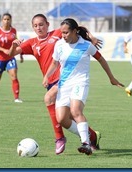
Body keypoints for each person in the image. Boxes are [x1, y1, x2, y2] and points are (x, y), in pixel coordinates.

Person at [9, 14, 102, 155]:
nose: (39, 27)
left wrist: (91, 37)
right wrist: (13, 45)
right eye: (35, 25)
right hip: (50, 82)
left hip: (64, 79)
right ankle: (92, 136)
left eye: (41, 24)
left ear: (47, 24)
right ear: (32, 27)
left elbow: (78, 28)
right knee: (68, 117)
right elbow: (12, 54)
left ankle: (59, 138)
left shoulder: (58, 34)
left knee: (48, 98)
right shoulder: (31, 43)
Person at [42, 18, 124, 155]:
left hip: (80, 82)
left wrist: (111, 77)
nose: (63, 35)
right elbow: (55, 64)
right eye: (62, 33)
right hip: (64, 85)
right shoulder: (59, 45)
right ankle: (89, 136)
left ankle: (85, 143)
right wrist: (47, 76)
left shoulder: (86, 45)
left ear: (75, 31)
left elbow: (101, 59)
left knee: (75, 111)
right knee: (62, 119)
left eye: (66, 32)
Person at [0, 13, 23, 103]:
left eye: (8, 19)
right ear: (2, 20)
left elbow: (16, 43)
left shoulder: (13, 31)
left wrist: (21, 54)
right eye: (5, 19)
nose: (6, 21)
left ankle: (16, 98)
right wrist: (4, 50)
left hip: (10, 58)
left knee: (14, 76)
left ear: (11, 20)